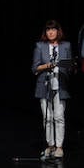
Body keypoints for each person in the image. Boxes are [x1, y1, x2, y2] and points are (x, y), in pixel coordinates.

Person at [32, 19, 74, 159]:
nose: (50, 32)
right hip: (44, 85)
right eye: (48, 30)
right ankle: (50, 145)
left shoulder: (66, 45)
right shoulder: (40, 46)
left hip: (60, 85)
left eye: (53, 29)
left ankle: (59, 147)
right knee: (47, 118)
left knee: (59, 117)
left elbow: (70, 67)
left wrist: (69, 67)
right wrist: (47, 66)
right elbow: (35, 68)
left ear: (58, 31)